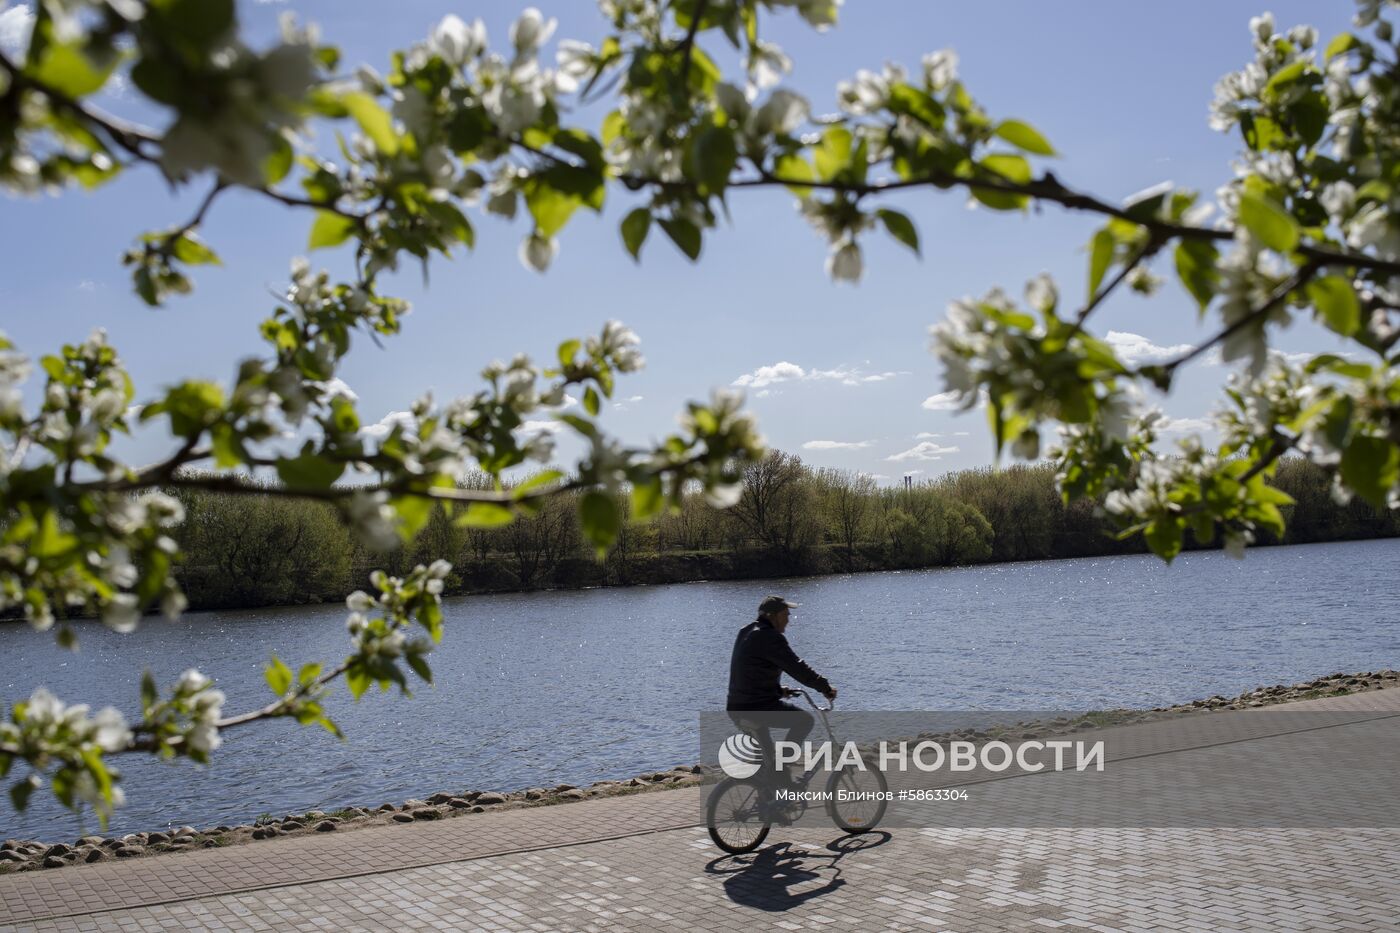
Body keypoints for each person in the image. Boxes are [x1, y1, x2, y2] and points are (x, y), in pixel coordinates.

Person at [726, 595, 837, 791]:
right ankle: (778, 781)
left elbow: (749, 673)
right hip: (756, 707)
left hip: (738, 706)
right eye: (786, 614)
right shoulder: (769, 637)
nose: (789, 619)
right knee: (804, 721)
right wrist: (824, 687)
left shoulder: (746, 632)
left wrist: (778, 690)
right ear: (773, 616)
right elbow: (796, 667)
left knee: (771, 765)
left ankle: (772, 803)